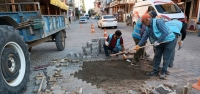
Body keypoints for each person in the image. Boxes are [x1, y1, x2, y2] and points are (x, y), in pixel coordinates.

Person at [134, 14, 181, 79]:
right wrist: (138, 45)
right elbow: (145, 36)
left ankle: (163, 72)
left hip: (169, 41)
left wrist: (158, 41)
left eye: (143, 22)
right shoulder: (148, 27)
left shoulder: (158, 22)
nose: (143, 24)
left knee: (166, 57)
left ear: (147, 19)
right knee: (157, 56)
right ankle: (155, 71)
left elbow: (165, 32)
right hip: (160, 42)